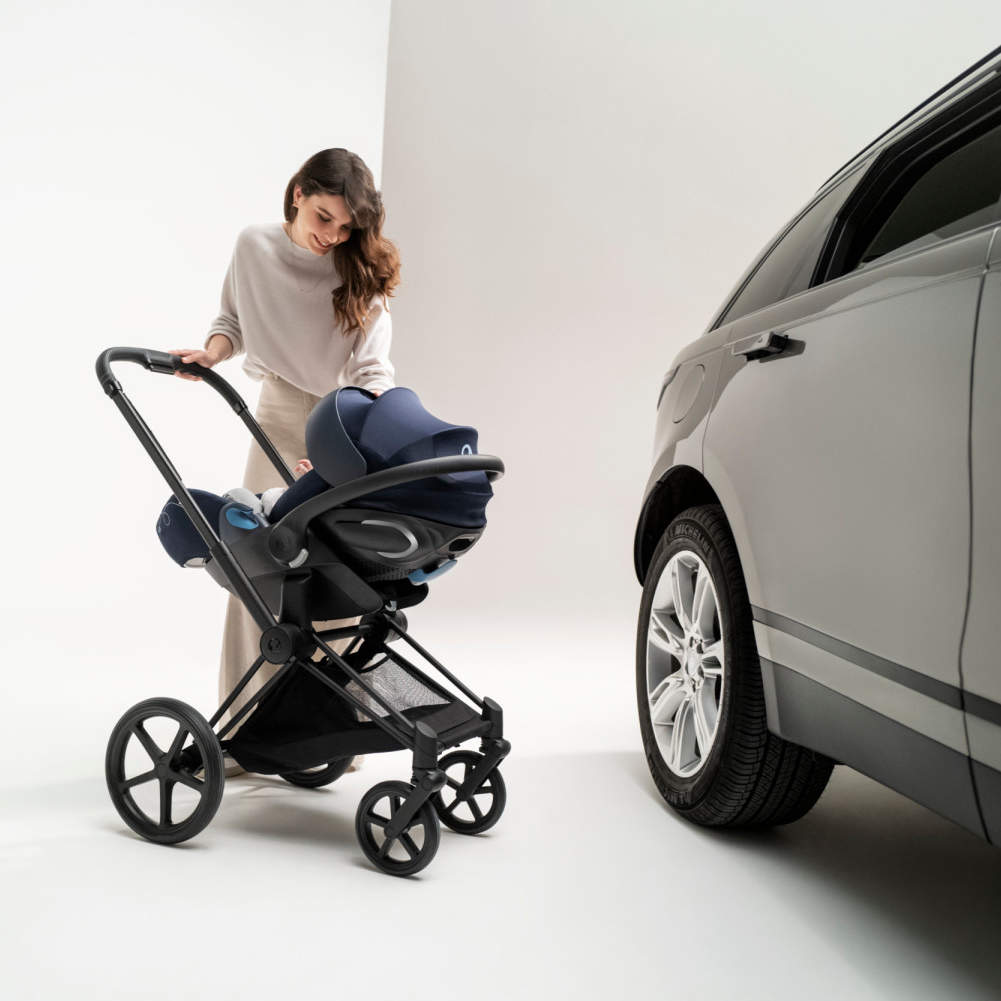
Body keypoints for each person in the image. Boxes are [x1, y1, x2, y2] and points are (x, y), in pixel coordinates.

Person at [168, 148, 399, 776]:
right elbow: (233, 319)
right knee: (254, 567)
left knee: (338, 577)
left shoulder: (358, 269)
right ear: (298, 193)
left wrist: (356, 446)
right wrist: (213, 353)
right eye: (324, 217)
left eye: (346, 227)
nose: (333, 236)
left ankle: (336, 731)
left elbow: (373, 372)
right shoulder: (254, 246)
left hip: (344, 421)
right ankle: (241, 732)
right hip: (274, 411)